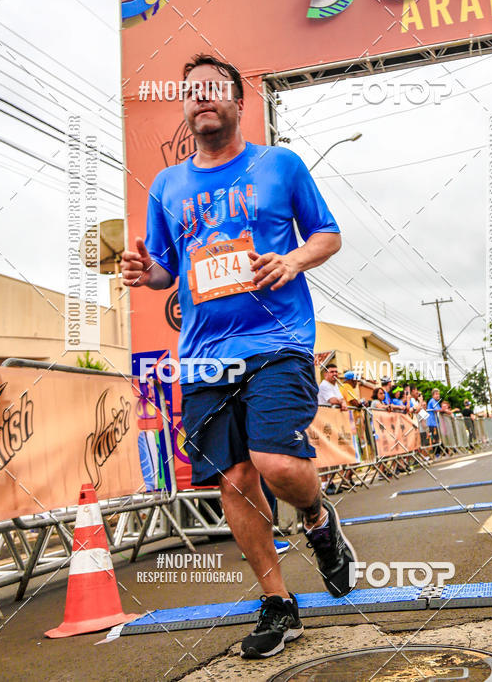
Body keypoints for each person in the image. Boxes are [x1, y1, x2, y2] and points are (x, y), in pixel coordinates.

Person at [121, 54, 357, 660]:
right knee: (235, 478)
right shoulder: (168, 185)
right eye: (190, 92)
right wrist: (145, 272)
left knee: (275, 461)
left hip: (278, 340)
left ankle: (317, 517)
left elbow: (327, 233)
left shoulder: (279, 165)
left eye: (213, 90)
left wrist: (294, 260)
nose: (202, 99)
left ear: (237, 102)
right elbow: (165, 270)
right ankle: (278, 604)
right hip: (202, 354)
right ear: (185, 107)